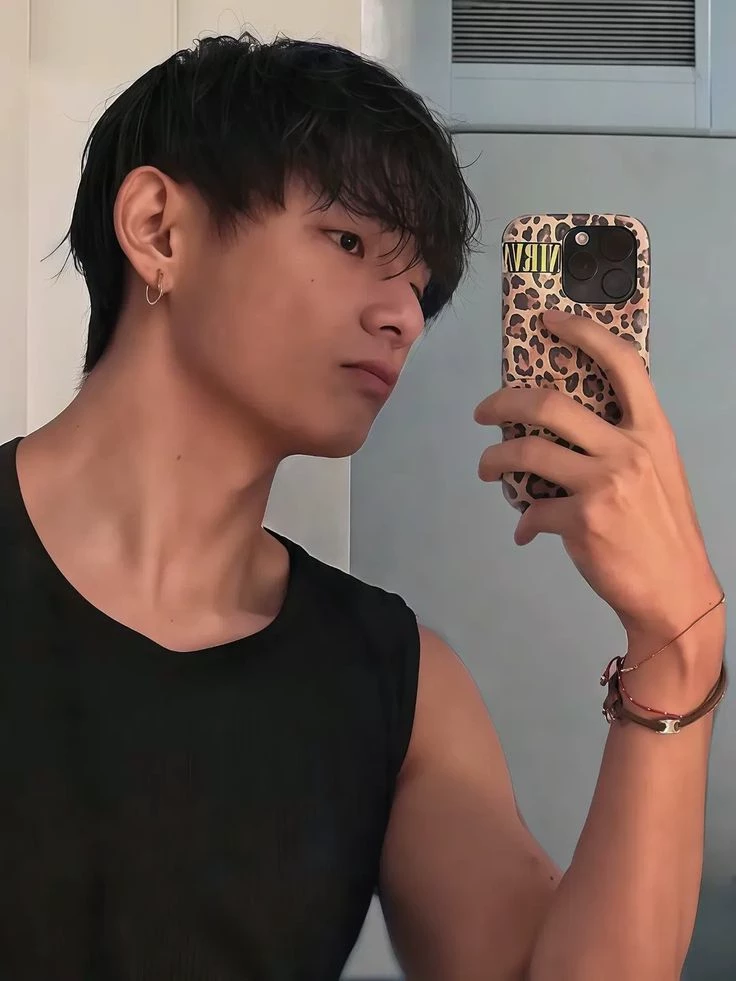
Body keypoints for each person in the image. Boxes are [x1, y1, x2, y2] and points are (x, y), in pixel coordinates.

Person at [1, 31, 726, 981]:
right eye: (348, 242)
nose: (405, 316)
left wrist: (678, 640)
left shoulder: (398, 683)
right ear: (159, 229)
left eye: (419, 285)